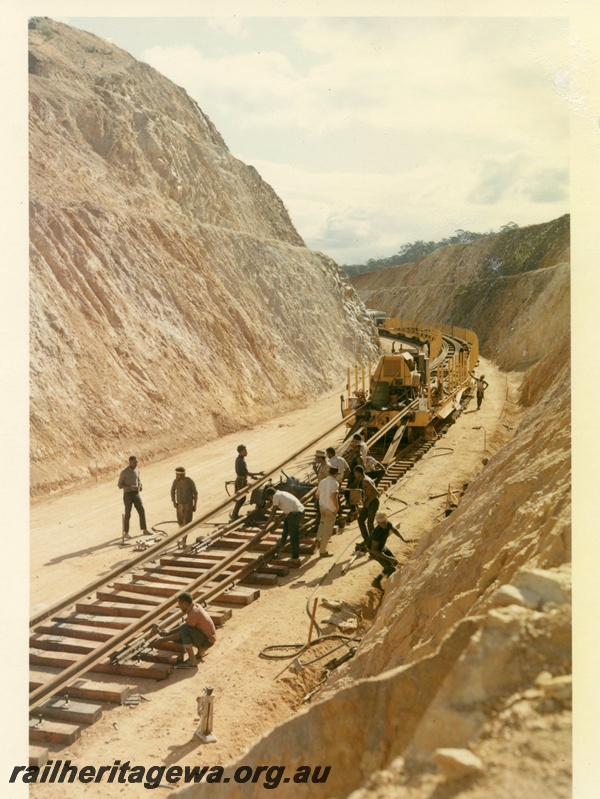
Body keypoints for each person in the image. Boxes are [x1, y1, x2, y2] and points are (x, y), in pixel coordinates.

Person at [154, 592, 216, 668]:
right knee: (183, 628)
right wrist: (169, 632)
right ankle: (201, 650)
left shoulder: (194, 613)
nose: (179, 607)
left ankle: (192, 660)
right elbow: (186, 625)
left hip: (207, 641)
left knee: (183, 632)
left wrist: (163, 640)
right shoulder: (195, 606)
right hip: (207, 638)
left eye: (180, 604)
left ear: (185, 604)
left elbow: (183, 632)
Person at [368, 511, 407, 589]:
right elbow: (374, 550)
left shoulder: (388, 524)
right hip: (375, 552)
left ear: (386, 519)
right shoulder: (377, 532)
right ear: (377, 522)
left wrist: (403, 538)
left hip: (382, 547)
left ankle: (379, 580)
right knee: (391, 568)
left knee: (394, 562)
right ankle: (387, 586)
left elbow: (394, 530)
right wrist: (389, 558)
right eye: (380, 523)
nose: (383, 524)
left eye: (384, 522)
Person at [264, 486, 304, 560]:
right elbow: (287, 510)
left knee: (293, 535)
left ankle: (295, 556)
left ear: (270, 496)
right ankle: (280, 546)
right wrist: (279, 517)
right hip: (298, 512)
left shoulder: (276, 496)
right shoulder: (281, 493)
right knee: (285, 530)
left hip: (295, 514)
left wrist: (266, 525)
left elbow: (273, 513)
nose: (271, 500)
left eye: (270, 498)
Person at [118, 455, 150, 538]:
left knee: (141, 510)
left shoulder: (137, 470)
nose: (136, 463)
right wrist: (130, 487)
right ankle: (126, 532)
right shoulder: (124, 472)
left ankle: (144, 529)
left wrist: (140, 486)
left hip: (136, 494)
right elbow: (120, 485)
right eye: (134, 462)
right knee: (128, 513)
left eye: (137, 462)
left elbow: (138, 480)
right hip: (127, 494)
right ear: (130, 462)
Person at [231, 445, 264, 520]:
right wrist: (258, 474)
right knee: (241, 498)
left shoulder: (240, 459)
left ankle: (234, 515)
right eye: (245, 451)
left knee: (241, 498)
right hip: (241, 481)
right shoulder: (241, 461)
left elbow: (244, 472)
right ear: (241, 452)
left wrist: (253, 477)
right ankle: (234, 515)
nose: (246, 452)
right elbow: (246, 472)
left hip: (241, 479)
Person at [315, 467, 339, 558]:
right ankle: (323, 551)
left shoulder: (322, 482)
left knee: (322, 523)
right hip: (330, 509)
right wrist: (336, 507)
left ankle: (317, 540)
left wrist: (324, 499)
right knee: (327, 530)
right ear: (336, 474)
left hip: (322, 507)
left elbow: (317, 495)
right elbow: (334, 497)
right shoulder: (335, 483)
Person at [353, 465, 380, 547]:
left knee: (370, 523)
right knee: (360, 520)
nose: (355, 475)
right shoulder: (363, 479)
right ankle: (367, 540)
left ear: (358, 472)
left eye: (355, 473)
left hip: (373, 502)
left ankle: (374, 543)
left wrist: (368, 502)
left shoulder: (366, 480)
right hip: (368, 502)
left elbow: (376, 493)